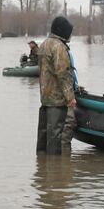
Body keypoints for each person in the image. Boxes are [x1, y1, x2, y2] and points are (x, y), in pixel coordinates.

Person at [37, 15, 76, 155]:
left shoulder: (44, 44)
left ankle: (41, 168)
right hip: (57, 101)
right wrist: (70, 97)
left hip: (45, 99)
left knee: (43, 135)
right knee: (55, 136)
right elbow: (63, 74)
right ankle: (54, 171)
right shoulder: (59, 47)